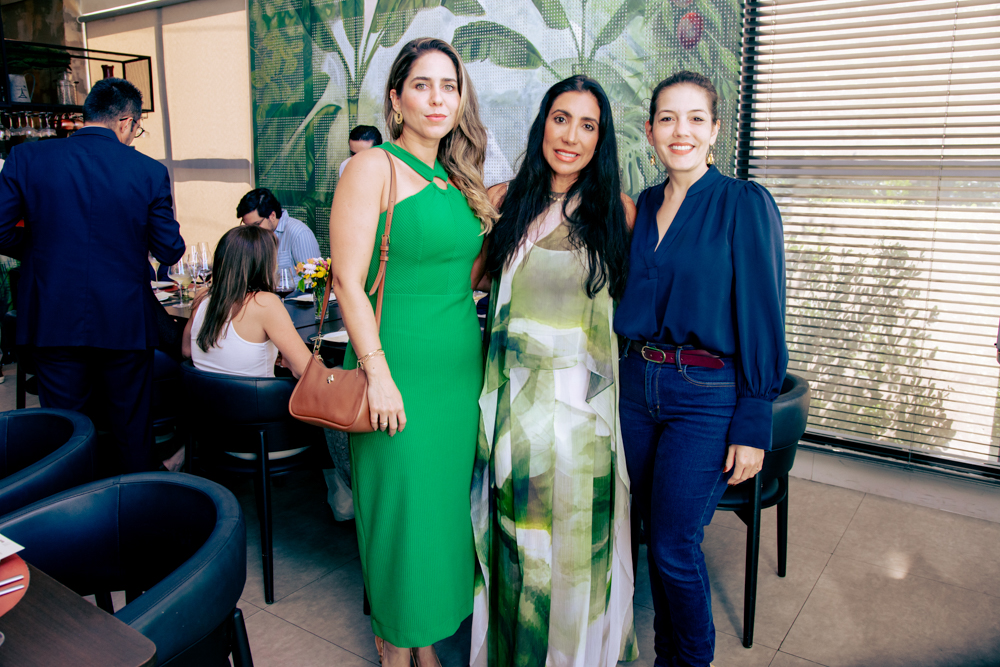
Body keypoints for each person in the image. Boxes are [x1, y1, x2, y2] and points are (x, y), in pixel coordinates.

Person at [328, 37, 496, 667]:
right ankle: (396, 651)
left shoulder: (456, 178)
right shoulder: (373, 167)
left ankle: (423, 645)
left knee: (438, 519)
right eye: (422, 85)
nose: (437, 98)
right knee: (401, 521)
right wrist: (377, 374)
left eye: (449, 86)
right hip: (395, 372)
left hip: (456, 379)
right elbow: (347, 281)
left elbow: (466, 275)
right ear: (396, 98)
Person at [615, 71, 787, 667]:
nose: (680, 130)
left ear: (715, 130)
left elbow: (763, 313)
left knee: (674, 545)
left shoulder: (743, 203)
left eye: (695, 118)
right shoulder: (642, 207)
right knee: (651, 535)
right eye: (667, 118)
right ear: (650, 131)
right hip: (636, 388)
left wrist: (753, 419)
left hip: (706, 393)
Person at [471, 75, 637, 667]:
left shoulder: (618, 212)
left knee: (578, 548)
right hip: (515, 412)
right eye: (561, 118)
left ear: (601, 139)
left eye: (587, 125)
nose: (570, 136)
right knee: (521, 548)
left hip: (586, 417)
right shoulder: (502, 200)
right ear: (543, 122)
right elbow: (465, 284)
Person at [0, 77, 185, 474]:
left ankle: (70, 503)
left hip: (52, 318)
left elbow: (0, 231)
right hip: (124, 320)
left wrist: (42, 252)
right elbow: (170, 249)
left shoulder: (26, 158)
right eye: (137, 128)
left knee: (66, 430)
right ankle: (140, 499)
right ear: (126, 122)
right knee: (131, 428)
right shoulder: (148, 171)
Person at [181, 224, 311, 379]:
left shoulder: (202, 296)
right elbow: (305, 370)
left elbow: (186, 351)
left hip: (204, 394)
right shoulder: (264, 303)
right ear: (262, 264)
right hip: (260, 394)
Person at [237, 188, 321, 272]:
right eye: (247, 226)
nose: (251, 231)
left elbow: (310, 277)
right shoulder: (254, 235)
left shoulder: (299, 233)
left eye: (256, 225)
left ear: (272, 216)